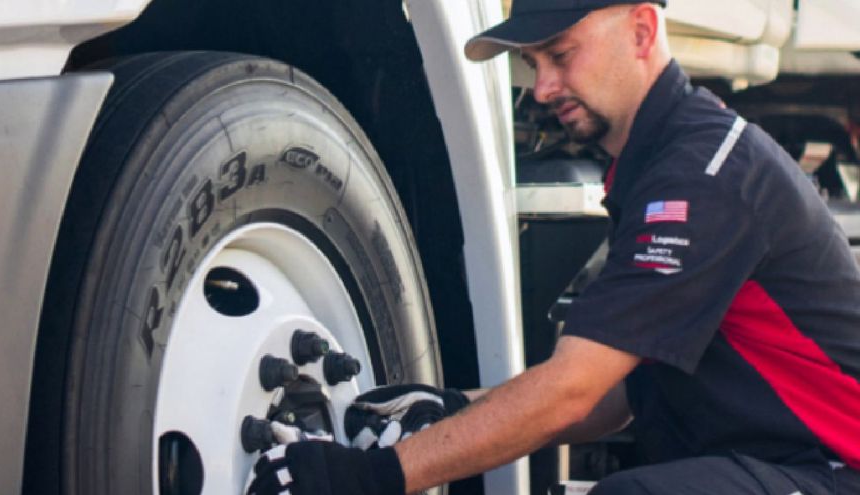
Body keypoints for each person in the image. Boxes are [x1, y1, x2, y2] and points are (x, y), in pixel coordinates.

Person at [247, 1, 860, 493]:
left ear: (642, 30)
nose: (541, 88)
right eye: (533, 62)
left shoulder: (703, 176)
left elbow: (575, 389)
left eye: (561, 55)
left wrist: (379, 476)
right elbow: (617, 399)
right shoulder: (659, 165)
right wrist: (453, 406)